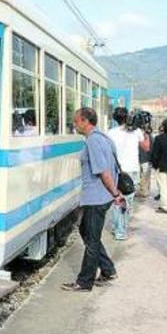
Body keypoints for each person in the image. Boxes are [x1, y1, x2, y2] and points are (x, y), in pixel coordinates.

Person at [62, 107, 122, 292]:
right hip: (97, 197)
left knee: (92, 241)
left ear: (85, 121)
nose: (74, 124)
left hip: (96, 198)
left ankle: (84, 282)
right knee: (87, 233)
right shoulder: (104, 138)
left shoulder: (93, 142)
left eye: (76, 121)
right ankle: (108, 269)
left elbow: (103, 172)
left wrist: (115, 193)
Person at [106, 107, 150, 240]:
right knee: (127, 201)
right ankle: (120, 231)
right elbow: (146, 147)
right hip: (131, 171)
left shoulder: (110, 133)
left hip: (116, 170)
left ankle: (116, 227)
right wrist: (145, 133)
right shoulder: (137, 132)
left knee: (116, 200)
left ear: (115, 118)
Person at [150, 118, 167, 213]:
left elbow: (155, 153)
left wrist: (154, 165)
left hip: (161, 166)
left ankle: (165, 207)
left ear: (163, 127)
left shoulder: (159, 138)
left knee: (163, 187)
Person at [136, 123, 153, 199]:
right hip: (143, 159)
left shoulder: (146, 136)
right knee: (145, 176)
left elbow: (151, 148)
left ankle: (144, 191)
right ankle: (144, 191)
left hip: (144, 159)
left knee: (144, 176)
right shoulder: (147, 136)